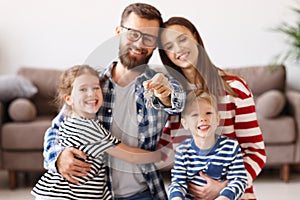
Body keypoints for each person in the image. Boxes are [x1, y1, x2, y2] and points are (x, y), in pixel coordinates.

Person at [43, 3, 185, 200]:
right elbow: (57, 130)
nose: (139, 44)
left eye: (149, 38)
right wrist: (57, 158)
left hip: (142, 193)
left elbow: (179, 103)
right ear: (119, 32)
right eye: (133, 33)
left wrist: (168, 96)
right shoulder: (90, 84)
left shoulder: (160, 84)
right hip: (94, 195)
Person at [158, 17, 266, 200]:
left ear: (196, 38)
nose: (178, 49)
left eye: (182, 39)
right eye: (169, 46)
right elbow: (159, 151)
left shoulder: (235, 88)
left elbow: (255, 151)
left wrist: (224, 188)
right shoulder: (171, 99)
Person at [31, 65, 162, 200]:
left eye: (96, 88)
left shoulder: (71, 121)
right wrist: (159, 155)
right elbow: (130, 155)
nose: (91, 94)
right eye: (83, 89)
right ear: (69, 99)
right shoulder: (89, 129)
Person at [168, 90, 247, 200]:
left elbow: (239, 180)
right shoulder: (182, 151)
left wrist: (224, 198)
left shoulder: (231, 147)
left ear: (218, 119)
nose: (202, 118)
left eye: (208, 113)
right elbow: (177, 183)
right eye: (195, 114)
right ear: (185, 123)